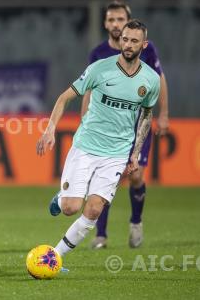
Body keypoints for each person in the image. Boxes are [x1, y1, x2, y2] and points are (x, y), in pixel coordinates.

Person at [37, 20, 160, 265]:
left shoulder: (151, 79)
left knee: (93, 210)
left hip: (116, 154)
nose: (127, 44)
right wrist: (50, 128)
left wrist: (135, 153)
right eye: (125, 39)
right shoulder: (99, 69)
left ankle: (55, 257)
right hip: (86, 146)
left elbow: (146, 114)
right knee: (71, 207)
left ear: (143, 45)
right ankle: (61, 198)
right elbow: (64, 97)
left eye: (134, 41)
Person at [82, 1, 169, 249]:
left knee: (136, 176)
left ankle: (136, 221)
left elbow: (159, 81)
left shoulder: (146, 50)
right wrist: (84, 118)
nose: (115, 24)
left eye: (120, 19)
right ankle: (101, 235)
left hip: (136, 122)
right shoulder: (98, 54)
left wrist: (164, 114)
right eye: (110, 20)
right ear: (105, 23)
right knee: (104, 178)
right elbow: (88, 88)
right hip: (106, 127)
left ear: (128, 21)